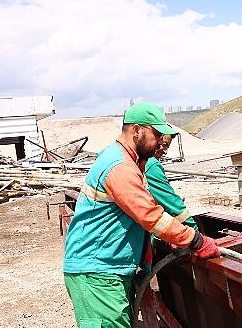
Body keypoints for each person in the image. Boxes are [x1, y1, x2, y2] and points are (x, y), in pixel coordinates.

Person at [63, 102, 219, 328]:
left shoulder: (129, 162)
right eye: (156, 134)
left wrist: (169, 238)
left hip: (107, 270)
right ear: (136, 131)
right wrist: (196, 240)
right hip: (97, 273)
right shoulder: (119, 166)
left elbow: (141, 213)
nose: (159, 142)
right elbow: (150, 215)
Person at [143, 133, 198, 230]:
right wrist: (195, 232)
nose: (165, 152)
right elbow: (172, 203)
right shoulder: (151, 164)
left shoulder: (141, 160)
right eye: (164, 145)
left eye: (167, 147)